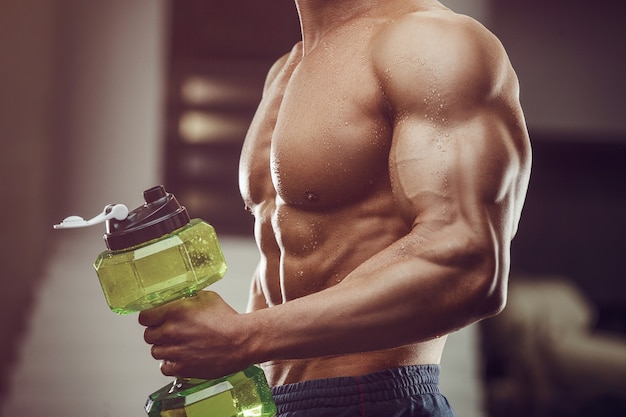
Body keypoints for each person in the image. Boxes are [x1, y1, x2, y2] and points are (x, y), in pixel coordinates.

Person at [139, 0, 531, 415]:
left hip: (373, 400)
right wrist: (227, 371)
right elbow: (283, 264)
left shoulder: (432, 43)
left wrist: (243, 338)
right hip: (276, 403)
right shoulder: (286, 70)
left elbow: (467, 263)